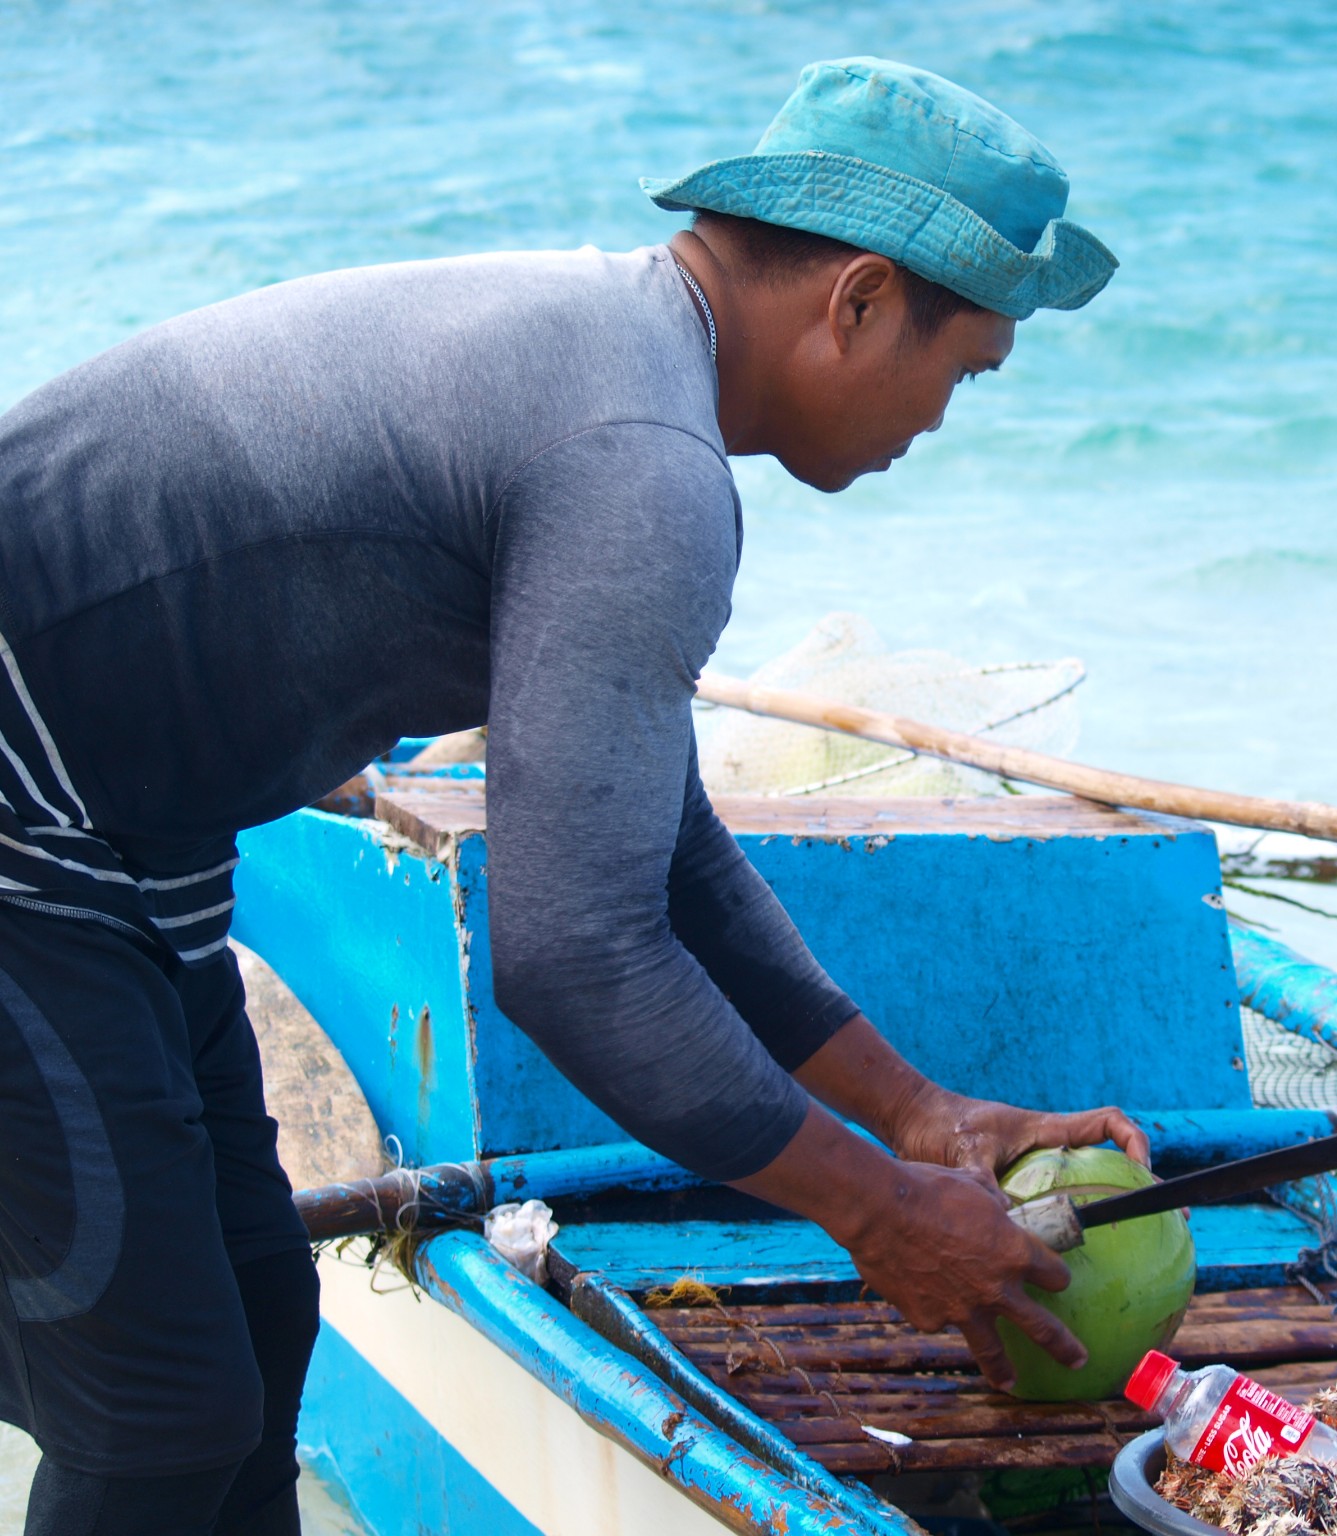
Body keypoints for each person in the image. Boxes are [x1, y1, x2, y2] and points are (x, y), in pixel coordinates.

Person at [0, 56, 1130, 1535]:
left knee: (265, 1317)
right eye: (962, 370)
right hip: (37, 842)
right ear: (855, 303)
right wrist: (869, 1211)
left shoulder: (615, 360)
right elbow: (572, 956)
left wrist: (914, 1116)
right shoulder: (642, 467)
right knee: (160, 1409)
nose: (942, 419)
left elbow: (651, 835)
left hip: (122, 836)